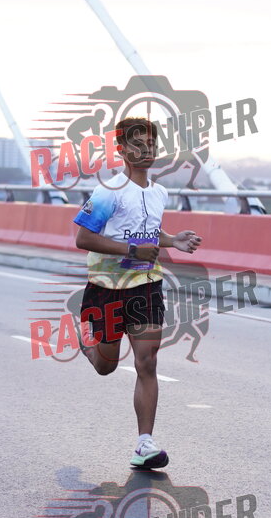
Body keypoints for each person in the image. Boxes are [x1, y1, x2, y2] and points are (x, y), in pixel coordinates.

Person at [73, 117, 202, 469]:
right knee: (106, 366)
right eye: (138, 144)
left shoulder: (159, 193)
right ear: (122, 150)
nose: (147, 149)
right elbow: (83, 238)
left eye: (151, 143)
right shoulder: (108, 191)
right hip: (106, 289)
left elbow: (147, 229)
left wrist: (173, 240)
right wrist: (132, 250)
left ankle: (144, 444)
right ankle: (87, 342)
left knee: (148, 362)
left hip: (146, 286)